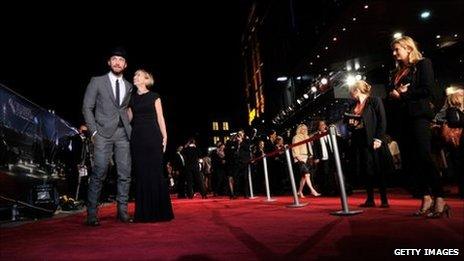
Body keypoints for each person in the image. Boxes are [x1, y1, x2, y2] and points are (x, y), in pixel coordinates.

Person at [388, 36, 448, 217]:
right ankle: (426, 196)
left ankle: (440, 197)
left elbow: (427, 90)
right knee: (412, 160)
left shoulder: (423, 64)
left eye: (397, 49)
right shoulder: (398, 71)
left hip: (419, 117)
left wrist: (404, 95)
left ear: (408, 48)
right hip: (403, 119)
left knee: (424, 156)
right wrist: (395, 95)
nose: (394, 53)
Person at [82, 47, 133, 226]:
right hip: (102, 134)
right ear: (109, 62)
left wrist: (129, 123)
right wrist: (94, 131)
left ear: (125, 65)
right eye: (114, 59)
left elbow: (126, 109)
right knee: (99, 171)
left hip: (123, 135)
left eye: (121, 60)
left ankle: (123, 211)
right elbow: (87, 107)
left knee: (125, 173)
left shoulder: (129, 86)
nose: (117, 62)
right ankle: (92, 213)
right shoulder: (97, 81)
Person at [128, 69, 174, 222]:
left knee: (155, 172)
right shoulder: (131, 99)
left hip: (153, 137)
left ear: (146, 79)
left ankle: (160, 212)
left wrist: (165, 136)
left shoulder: (155, 97)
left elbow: (160, 118)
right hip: (137, 139)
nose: (135, 77)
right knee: (141, 174)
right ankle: (143, 213)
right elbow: (128, 119)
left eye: (138, 75)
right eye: (134, 75)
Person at [347, 80, 392, 208]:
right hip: (360, 140)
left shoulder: (374, 101)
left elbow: (382, 120)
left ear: (357, 90)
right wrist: (351, 125)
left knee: (379, 169)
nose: (350, 93)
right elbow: (351, 125)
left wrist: (378, 139)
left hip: (373, 140)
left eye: (352, 90)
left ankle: (384, 200)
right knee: (367, 170)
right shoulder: (353, 106)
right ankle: (370, 199)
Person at [292, 124, 320, 198]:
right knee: (307, 175)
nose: (305, 130)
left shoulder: (307, 137)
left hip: (308, 158)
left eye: (306, 129)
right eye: (303, 129)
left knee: (304, 177)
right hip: (300, 158)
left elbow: (309, 147)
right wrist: (299, 158)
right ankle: (312, 190)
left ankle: (299, 191)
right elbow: (295, 149)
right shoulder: (296, 137)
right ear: (299, 129)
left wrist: (311, 155)